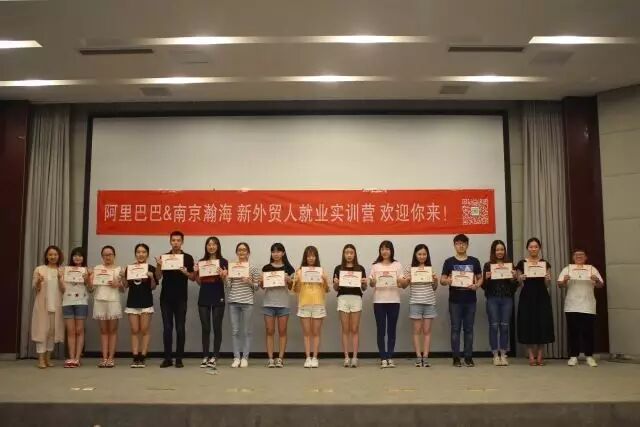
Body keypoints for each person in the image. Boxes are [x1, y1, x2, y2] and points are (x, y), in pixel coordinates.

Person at [440, 234, 483, 367]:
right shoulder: (449, 262)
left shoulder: (474, 261)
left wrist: (477, 285)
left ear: (467, 245)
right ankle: (456, 358)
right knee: (455, 329)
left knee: (469, 330)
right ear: (454, 245)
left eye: (463, 243)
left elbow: (480, 278)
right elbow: (442, 280)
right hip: (455, 301)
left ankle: (468, 357)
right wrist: (448, 280)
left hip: (470, 300)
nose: (461, 245)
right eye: (458, 243)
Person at [557, 249, 604, 367]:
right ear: (573, 257)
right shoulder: (567, 269)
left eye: (581, 255)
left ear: (586, 257)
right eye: (576, 255)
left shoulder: (592, 269)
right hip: (572, 306)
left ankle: (589, 356)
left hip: (588, 306)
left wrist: (597, 280)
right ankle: (573, 357)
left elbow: (600, 285)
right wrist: (564, 280)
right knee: (573, 332)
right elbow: (560, 285)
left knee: (588, 332)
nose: (579, 256)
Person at [155, 231, 195, 368]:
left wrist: (186, 272)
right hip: (166, 298)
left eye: (178, 240)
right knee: (167, 328)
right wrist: (159, 265)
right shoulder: (164, 257)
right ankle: (167, 358)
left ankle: (179, 358)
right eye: (173, 240)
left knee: (180, 328)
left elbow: (193, 278)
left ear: (182, 242)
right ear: (170, 242)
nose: (176, 243)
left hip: (181, 298)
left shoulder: (188, 258)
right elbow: (158, 277)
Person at [516, 237, 555, 366]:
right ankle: (531, 356)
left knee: (542, 323)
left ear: (539, 248)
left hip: (542, 296)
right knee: (527, 323)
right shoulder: (522, 263)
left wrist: (548, 279)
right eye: (531, 247)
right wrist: (520, 278)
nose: (533, 249)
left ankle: (540, 356)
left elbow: (547, 284)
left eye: (536, 247)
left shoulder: (544, 263)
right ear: (527, 248)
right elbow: (518, 283)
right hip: (527, 296)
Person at [369, 240, 406, 368]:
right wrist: (373, 281)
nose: (385, 251)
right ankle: (383, 357)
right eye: (382, 249)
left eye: (387, 249)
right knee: (381, 330)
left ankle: (390, 356)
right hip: (379, 301)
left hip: (394, 301)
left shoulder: (397, 265)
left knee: (391, 330)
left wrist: (402, 280)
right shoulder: (375, 266)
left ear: (391, 251)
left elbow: (402, 284)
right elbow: (371, 283)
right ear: (380, 251)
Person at [401, 244, 439, 367]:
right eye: (419, 254)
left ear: (427, 255)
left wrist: (435, 280)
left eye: (424, 254)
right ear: (415, 255)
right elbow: (403, 286)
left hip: (429, 302)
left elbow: (434, 287)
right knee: (416, 331)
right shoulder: (410, 269)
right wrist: (408, 279)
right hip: (415, 302)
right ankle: (418, 357)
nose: (422, 256)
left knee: (427, 331)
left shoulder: (430, 269)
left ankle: (426, 357)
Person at [481, 240, 517, 366]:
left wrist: (513, 279)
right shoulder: (488, 265)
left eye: (502, 249)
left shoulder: (510, 265)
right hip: (492, 299)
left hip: (507, 299)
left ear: (504, 251)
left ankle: (503, 354)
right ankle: (495, 355)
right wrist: (486, 279)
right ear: (493, 251)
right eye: (497, 250)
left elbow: (514, 287)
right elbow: (483, 287)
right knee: (494, 326)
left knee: (505, 327)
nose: (500, 252)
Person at [293, 246, 330, 368]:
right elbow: (295, 290)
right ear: (305, 257)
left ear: (316, 257)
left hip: (318, 304)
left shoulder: (321, 271)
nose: (311, 258)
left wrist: (325, 280)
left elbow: (327, 290)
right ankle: (308, 357)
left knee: (316, 333)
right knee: (306, 333)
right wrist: (298, 281)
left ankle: (315, 357)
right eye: (308, 256)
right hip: (304, 304)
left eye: (313, 256)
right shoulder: (299, 271)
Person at [195, 236, 228, 369]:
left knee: (217, 327)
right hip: (204, 296)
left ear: (218, 246)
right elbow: (199, 282)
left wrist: (224, 275)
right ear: (206, 247)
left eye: (214, 244)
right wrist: (196, 272)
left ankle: (215, 356)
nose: (211, 246)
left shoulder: (224, 262)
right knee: (205, 328)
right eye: (209, 244)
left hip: (218, 296)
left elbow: (226, 282)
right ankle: (205, 356)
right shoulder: (202, 261)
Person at [260, 242, 295, 368]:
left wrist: (289, 281)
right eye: (273, 251)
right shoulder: (266, 268)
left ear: (283, 253)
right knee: (269, 331)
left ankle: (280, 358)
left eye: (278, 251)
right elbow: (262, 287)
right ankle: (270, 358)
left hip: (283, 303)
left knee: (282, 331)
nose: (276, 254)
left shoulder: (289, 269)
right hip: (268, 303)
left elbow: (291, 288)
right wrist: (261, 281)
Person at [226, 242, 260, 368]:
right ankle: (236, 357)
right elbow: (228, 286)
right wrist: (225, 277)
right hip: (233, 301)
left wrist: (249, 282)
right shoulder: (232, 266)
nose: (242, 252)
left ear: (248, 253)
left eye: (244, 250)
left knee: (247, 331)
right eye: (239, 250)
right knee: (235, 331)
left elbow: (257, 287)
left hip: (247, 302)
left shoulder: (253, 268)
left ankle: (245, 357)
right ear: (237, 252)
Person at [333, 244, 367, 368]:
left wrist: (364, 283)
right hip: (343, 298)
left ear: (354, 254)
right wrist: (336, 283)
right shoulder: (338, 268)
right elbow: (335, 288)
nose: (349, 255)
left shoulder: (360, 268)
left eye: (351, 253)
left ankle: (355, 357)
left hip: (356, 298)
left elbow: (364, 288)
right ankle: (346, 357)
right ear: (343, 254)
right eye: (347, 252)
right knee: (345, 329)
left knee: (355, 329)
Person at [31, 245, 65, 369]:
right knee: (42, 332)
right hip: (42, 306)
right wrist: (39, 281)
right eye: (50, 254)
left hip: (57, 305)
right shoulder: (39, 269)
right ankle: (40, 359)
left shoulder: (62, 270)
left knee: (52, 332)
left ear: (59, 256)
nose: (53, 257)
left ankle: (48, 358)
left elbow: (64, 289)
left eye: (55, 254)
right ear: (46, 256)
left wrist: (60, 278)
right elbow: (36, 288)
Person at [123, 243, 156, 368]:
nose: (141, 254)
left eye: (143, 252)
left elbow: (153, 287)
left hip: (146, 302)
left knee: (145, 330)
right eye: (138, 252)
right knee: (134, 330)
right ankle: (135, 357)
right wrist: (122, 276)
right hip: (132, 302)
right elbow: (126, 285)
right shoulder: (130, 268)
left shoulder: (151, 268)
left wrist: (152, 277)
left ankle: (143, 357)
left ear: (147, 254)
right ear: (135, 254)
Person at [92, 245, 123, 368]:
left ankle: (111, 358)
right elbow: (91, 287)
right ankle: (104, 357)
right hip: (100, 301)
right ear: (102, 256)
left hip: (113, 301)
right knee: (103, 331)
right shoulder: (97, 269)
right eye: (105, 255)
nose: (107, 257)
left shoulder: (119, 269)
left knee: (113, 331)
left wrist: (118, 284)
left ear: (114, 255)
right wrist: (89, 278)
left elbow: (123, 289)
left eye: (110, 254)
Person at [61, 247, 91, 368]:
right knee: (70, 331)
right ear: (71, 257)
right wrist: (59, 277)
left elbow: (91, 289)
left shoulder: (87, 270)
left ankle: (77, 358)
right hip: (67, 302)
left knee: (79, 330)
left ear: (83, 258)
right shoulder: (64, 270)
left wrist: (87, 279)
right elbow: (62, 289)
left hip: (81, 302)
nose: (77, 257)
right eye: (75, 255)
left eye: (80, 255)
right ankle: (71, 357)